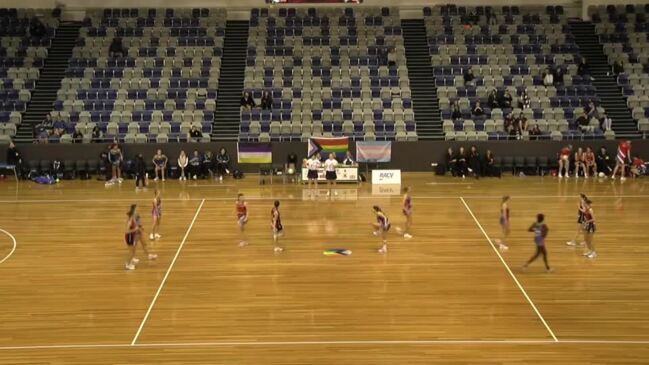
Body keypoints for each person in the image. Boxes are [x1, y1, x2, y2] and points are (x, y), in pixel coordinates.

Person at [124, 204, 157, 271]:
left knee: (133, 251)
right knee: (132, 251)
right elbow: (126, 231)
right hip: (130, 236)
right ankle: (128, 264)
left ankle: (129, 262)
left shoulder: (134, 217)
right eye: (137, 208)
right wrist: (135, 229)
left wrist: (139, 228)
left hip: (132, 235)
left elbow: (137, 226)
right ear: (134, 210)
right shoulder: (130, 219)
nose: (138, 209)